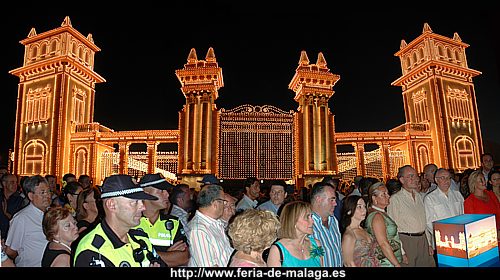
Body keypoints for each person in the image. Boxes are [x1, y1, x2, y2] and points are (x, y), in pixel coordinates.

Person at [73, 174, 164, 267]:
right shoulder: (93, 251)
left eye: (141, 201)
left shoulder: (140, 240)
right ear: (112, 204)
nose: (143, 207)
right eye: (134, 202)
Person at [136, 173, 189, 267]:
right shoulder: (132, 223)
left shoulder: (174, 223)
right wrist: (169, 255)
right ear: (146, 192)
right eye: (161, 190)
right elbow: (129, 254)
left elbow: (184, 258)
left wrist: (149, 255)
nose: (167, 194)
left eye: (166, 190)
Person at [387, 165, 435, 267]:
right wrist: (401, 252)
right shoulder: (395, 200)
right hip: (407, 241)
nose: (415, 179)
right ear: (402, 180)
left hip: (423, 240)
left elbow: (424, 221)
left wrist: (429, 244)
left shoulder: (419, 196)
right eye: (410, 176)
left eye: (416, 176)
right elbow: (392, 229)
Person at [4, 175, 51, 267]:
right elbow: (11, 251)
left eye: (48, 191)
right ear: (31, 196)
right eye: (42, 192)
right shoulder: (22, 218)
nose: (47, 196)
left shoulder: (52, 214)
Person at [188, 184, 234, 267]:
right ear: (215, 204)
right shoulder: (199, 230)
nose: (224, 206)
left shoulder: (215, 223)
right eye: (224, 202)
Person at [267, 201, 323, 267]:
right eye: (307, 217)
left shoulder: (316, 245)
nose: (312, 221)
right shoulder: (278, 250)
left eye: (311, 216)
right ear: (293, 221)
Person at [423, 168, 464, 251]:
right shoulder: (430, 198)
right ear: (436, 180)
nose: (446, 180)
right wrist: (444, 235)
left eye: (448, 178)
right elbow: (429, 222)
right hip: (442, 240)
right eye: (442, 178)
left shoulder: (457, 195)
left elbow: (463, 214)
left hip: (460, 237)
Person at [365, 182, 403, 267]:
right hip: (385, 262)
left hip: (390, 259)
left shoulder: (381, 213)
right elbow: (383, 243)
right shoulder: (377, 216)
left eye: (387, 193)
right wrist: (396, 264)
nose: (388, 196)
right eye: (384, 194)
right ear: (374, 198)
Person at [340, 195, 380, 267]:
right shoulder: (349, 235)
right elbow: (348, 263)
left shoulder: (363, 229)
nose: (364, 210)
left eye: (364, 206)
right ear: (349, 211)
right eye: (359, 207)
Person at [309, 181, 342, 267]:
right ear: (318, 200)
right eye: (332, 200)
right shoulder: (307, 224)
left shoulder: (333, 220)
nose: (335, 204)